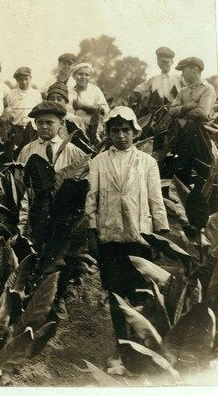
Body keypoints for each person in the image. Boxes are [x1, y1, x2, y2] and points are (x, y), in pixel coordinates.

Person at [85, 106, 168, 305]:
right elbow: (91, 200)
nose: (121, 136)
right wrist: (92, 232)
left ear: (135, 132)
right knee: (115, 293)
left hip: (139, 236)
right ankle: (120, 333)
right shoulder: (98, 162)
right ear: (108, 133)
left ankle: (138, 335)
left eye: (126, 130)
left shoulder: (147, 162)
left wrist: (159, 236)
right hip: (109, 238)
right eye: (115, 130)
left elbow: (156, 199)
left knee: (140, 291)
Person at [16, 101, 86, 235]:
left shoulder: (72, 151)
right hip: (34, 215)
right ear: (35, 124)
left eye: (49, 122)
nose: (44, 126)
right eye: (40, 122)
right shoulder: (27, 150)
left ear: (61, 123)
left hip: (63, 215)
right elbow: (19, 183)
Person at [169, 56, 217, 182]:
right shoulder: (183, 91)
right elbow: (171, 111)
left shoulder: (208, 89)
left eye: (184, 70)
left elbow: (202, 113)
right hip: (182, 134)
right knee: (181, 172)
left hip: (200, 134)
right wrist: (188, 106)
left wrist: (180, 112)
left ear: (195, 69)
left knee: (203, 171)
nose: (182, 74)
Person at [3, 66, 43, 146]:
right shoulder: (11, 94)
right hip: (16, 128)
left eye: (26, 79)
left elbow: (40, 112)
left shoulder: (36, 94)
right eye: (21, 79)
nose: (24, 82)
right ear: (17, 80)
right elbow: (7, 111)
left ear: (30, 78)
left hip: (33, 129)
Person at [68, 63, 109, 135]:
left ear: (90, 77)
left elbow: (104, 110)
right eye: (80, 74)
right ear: (74, 76)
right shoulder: (69, 92)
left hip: (91, 132)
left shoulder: (95, 90)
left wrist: (83, 106)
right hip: (71, 132)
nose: (83, 77)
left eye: (87, 75)